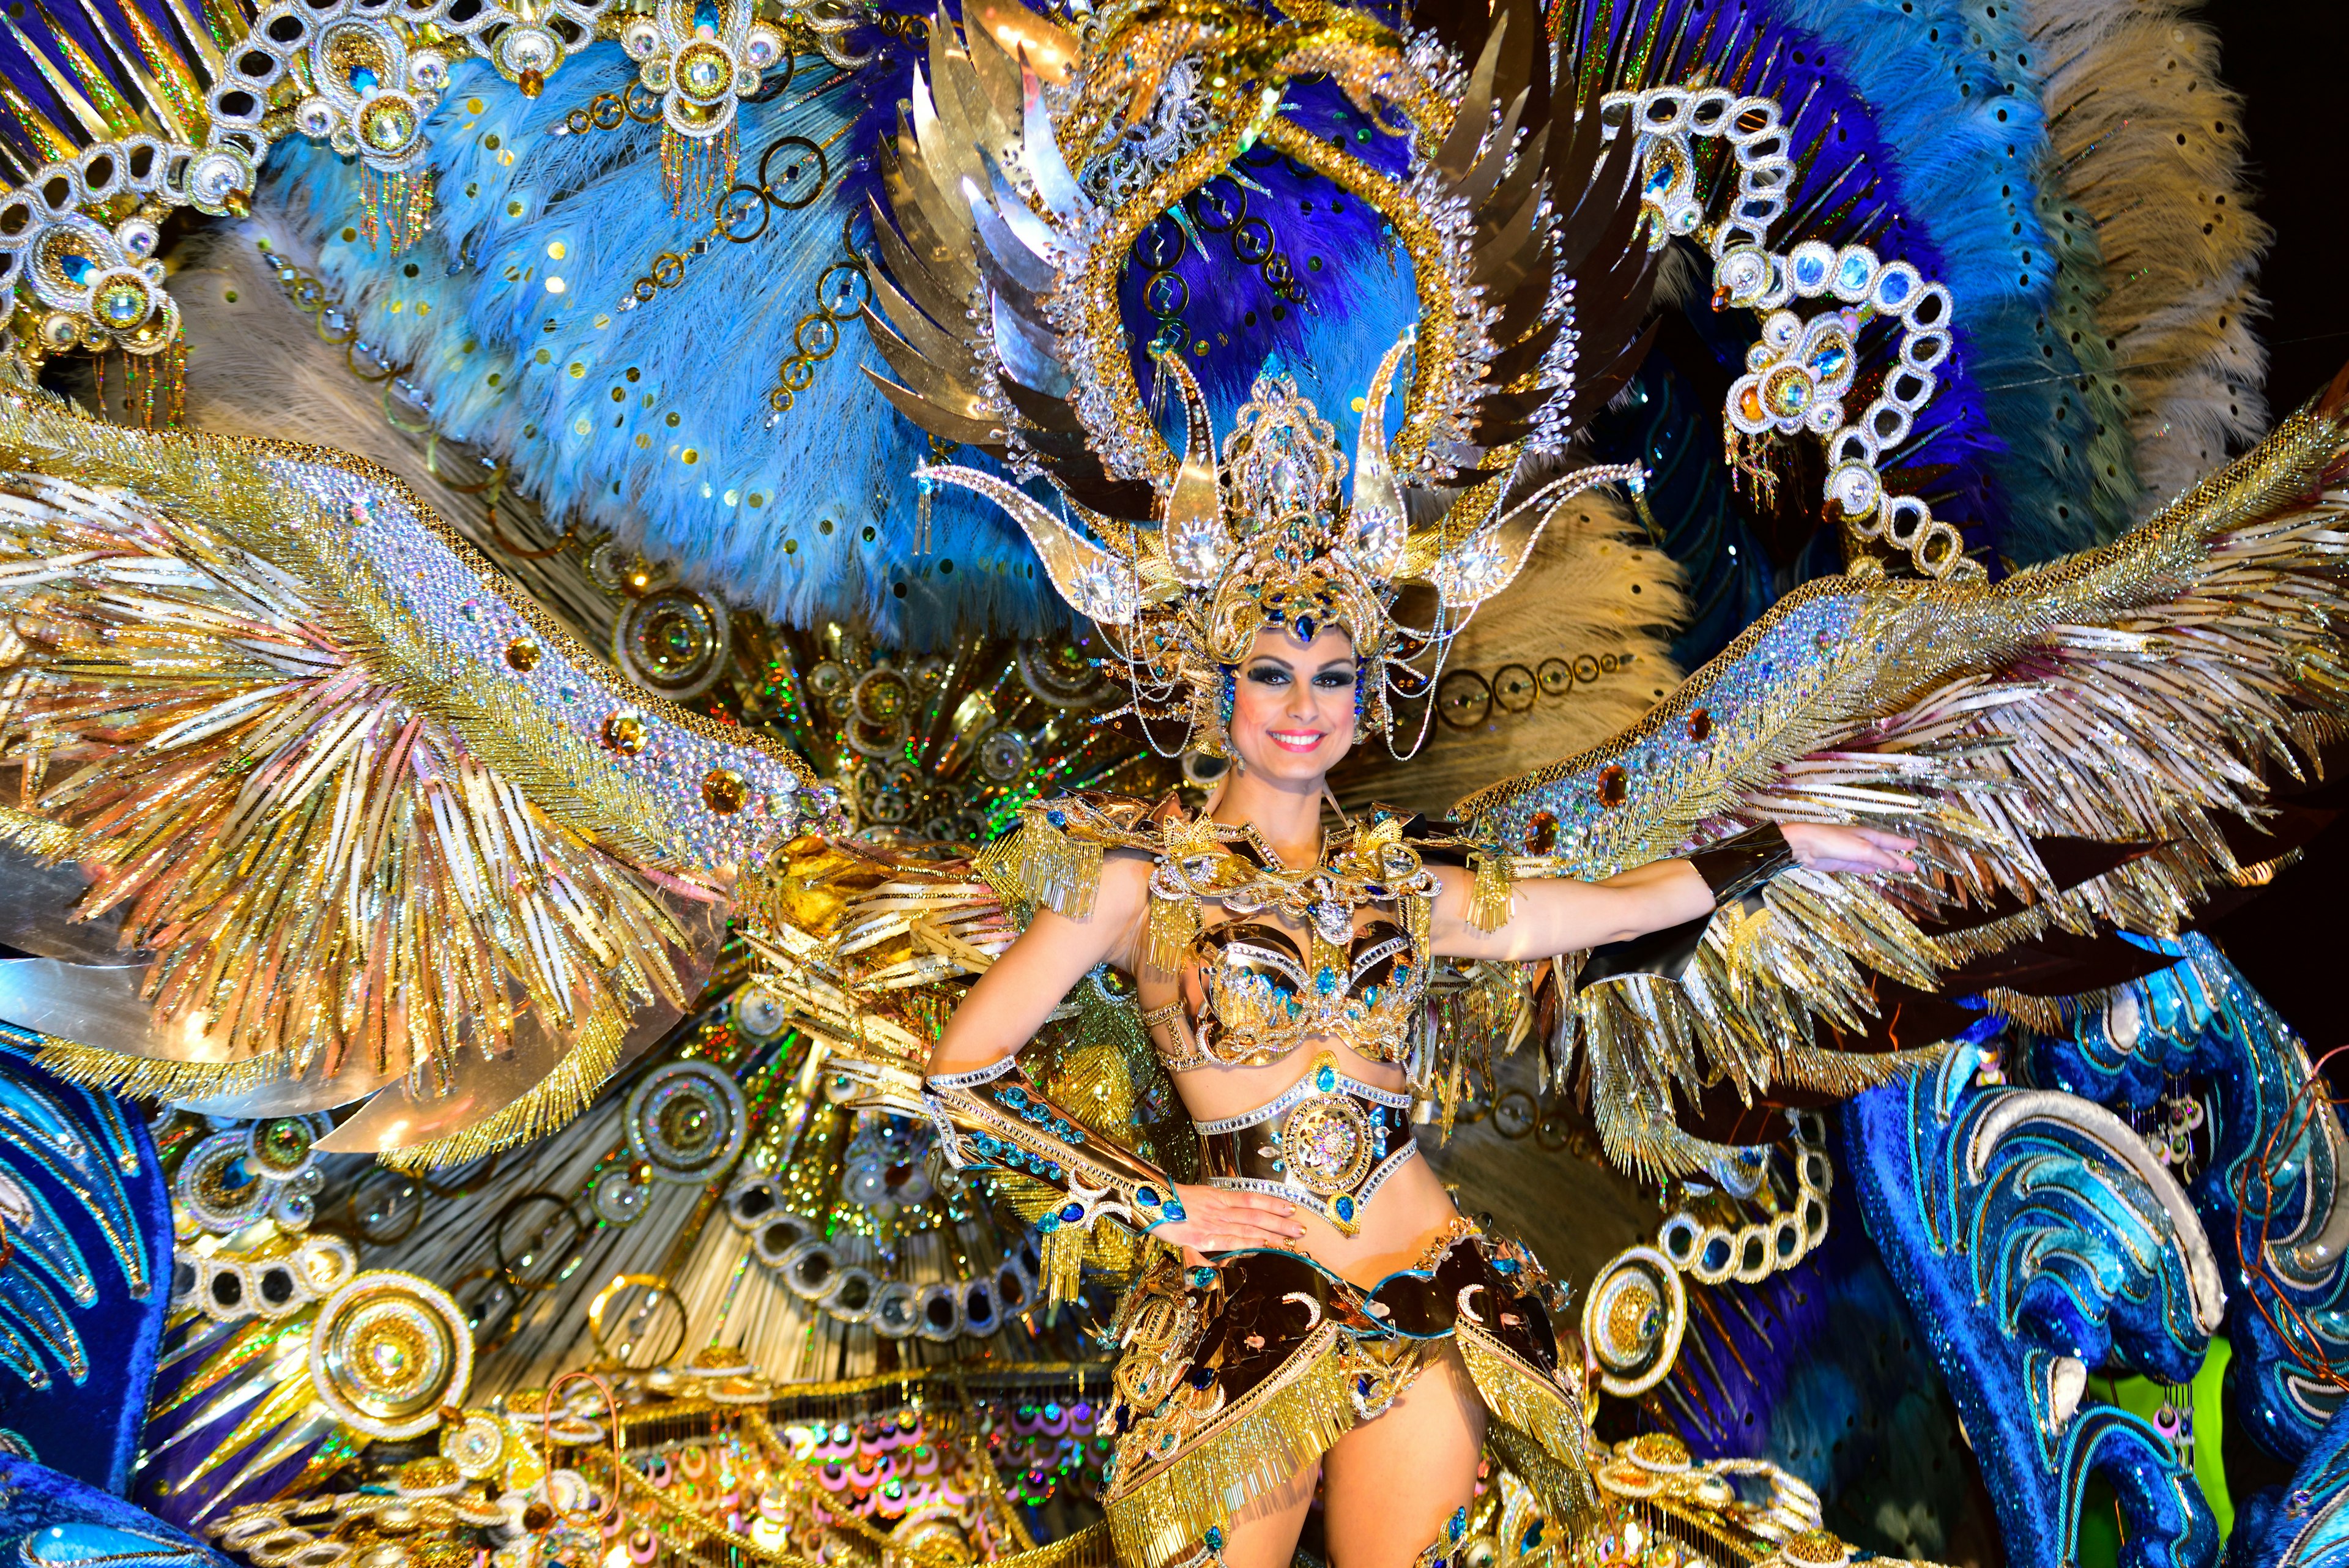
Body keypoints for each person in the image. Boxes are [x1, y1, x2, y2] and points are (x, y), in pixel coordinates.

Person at [923, 612, 1915, 1568]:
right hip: (1248, 1302)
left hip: (1427, 1286)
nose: (1304, 703)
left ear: (1366, 700)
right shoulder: (1141, 883)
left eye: (1335, 677)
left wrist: (1780, 843)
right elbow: (962, 1072)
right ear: (1214, 688)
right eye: (1271, 672)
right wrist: (1151, 1200)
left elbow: (1607, 912)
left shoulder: (1401, 886)